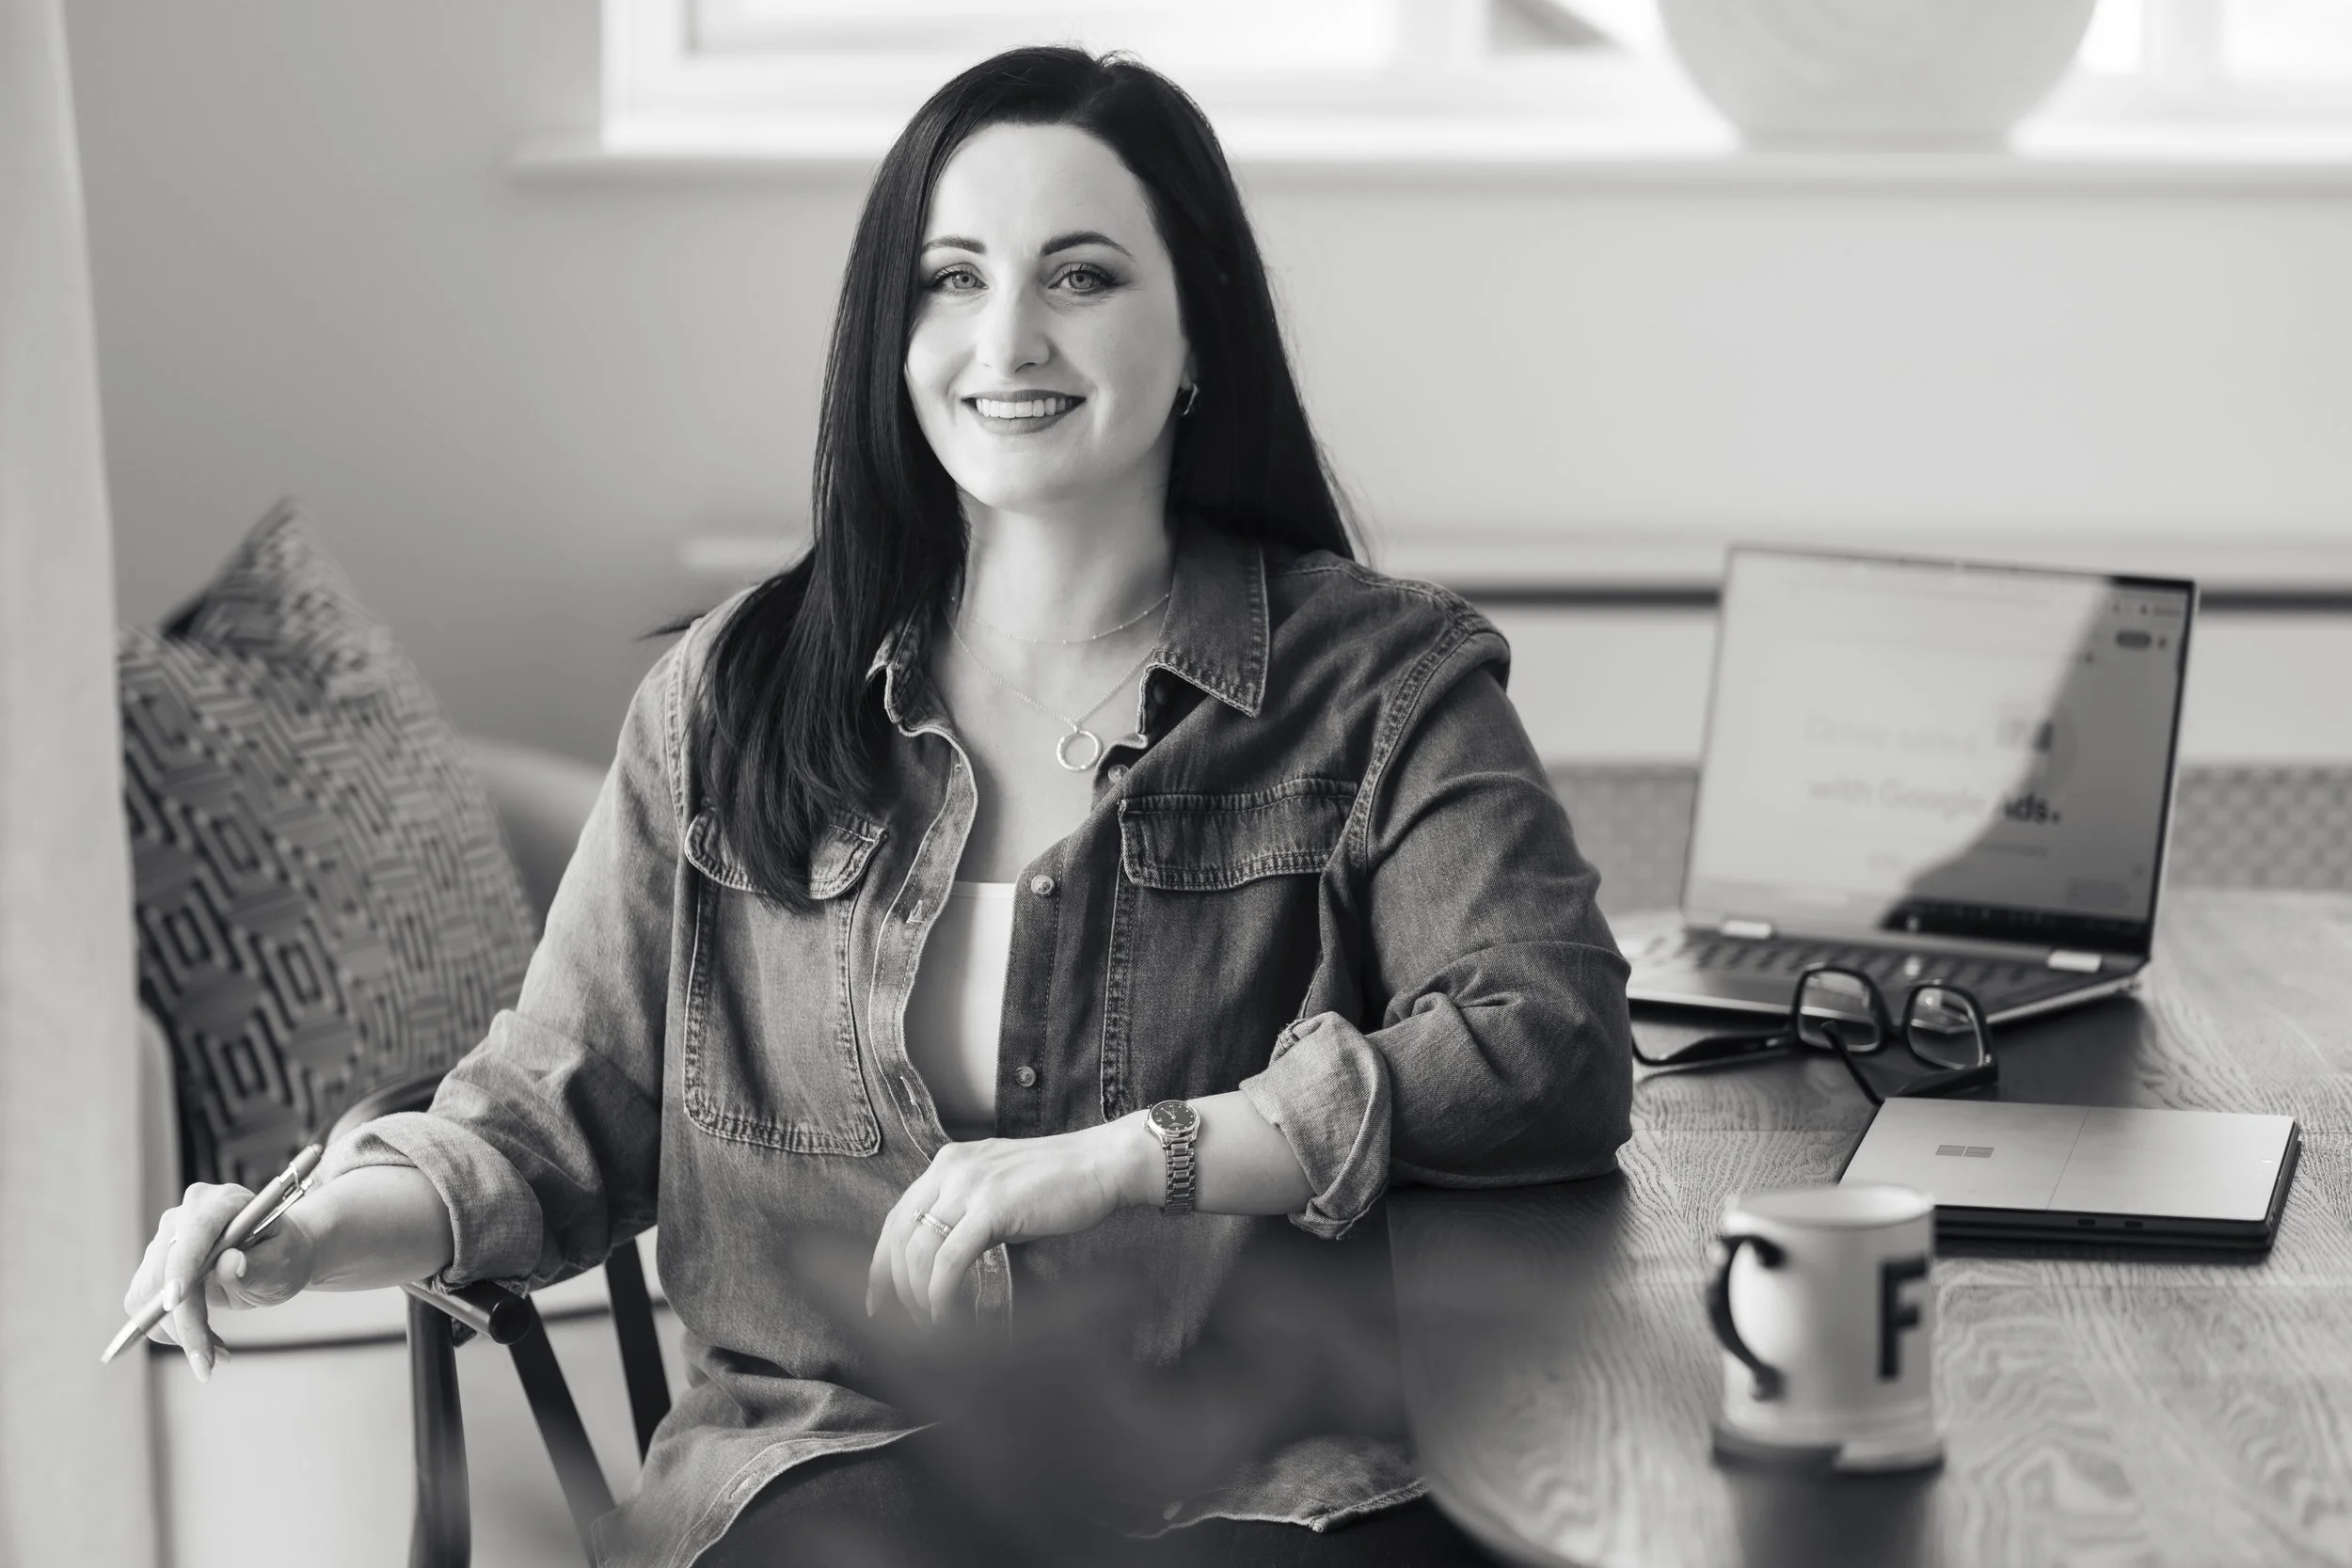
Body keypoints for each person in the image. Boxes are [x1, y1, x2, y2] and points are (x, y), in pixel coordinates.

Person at [123, 45, 1633, 1568]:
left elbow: (1547, 1040)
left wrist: (1139, 1153)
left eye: (1084, 276)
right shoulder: (731, 700)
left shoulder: (1380, 681)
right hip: (829, 1468)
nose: (1009, 337)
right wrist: (309, 1232)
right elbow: (543, 1125)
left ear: (1198, 341)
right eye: (952, 279)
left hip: (1257, 1477)